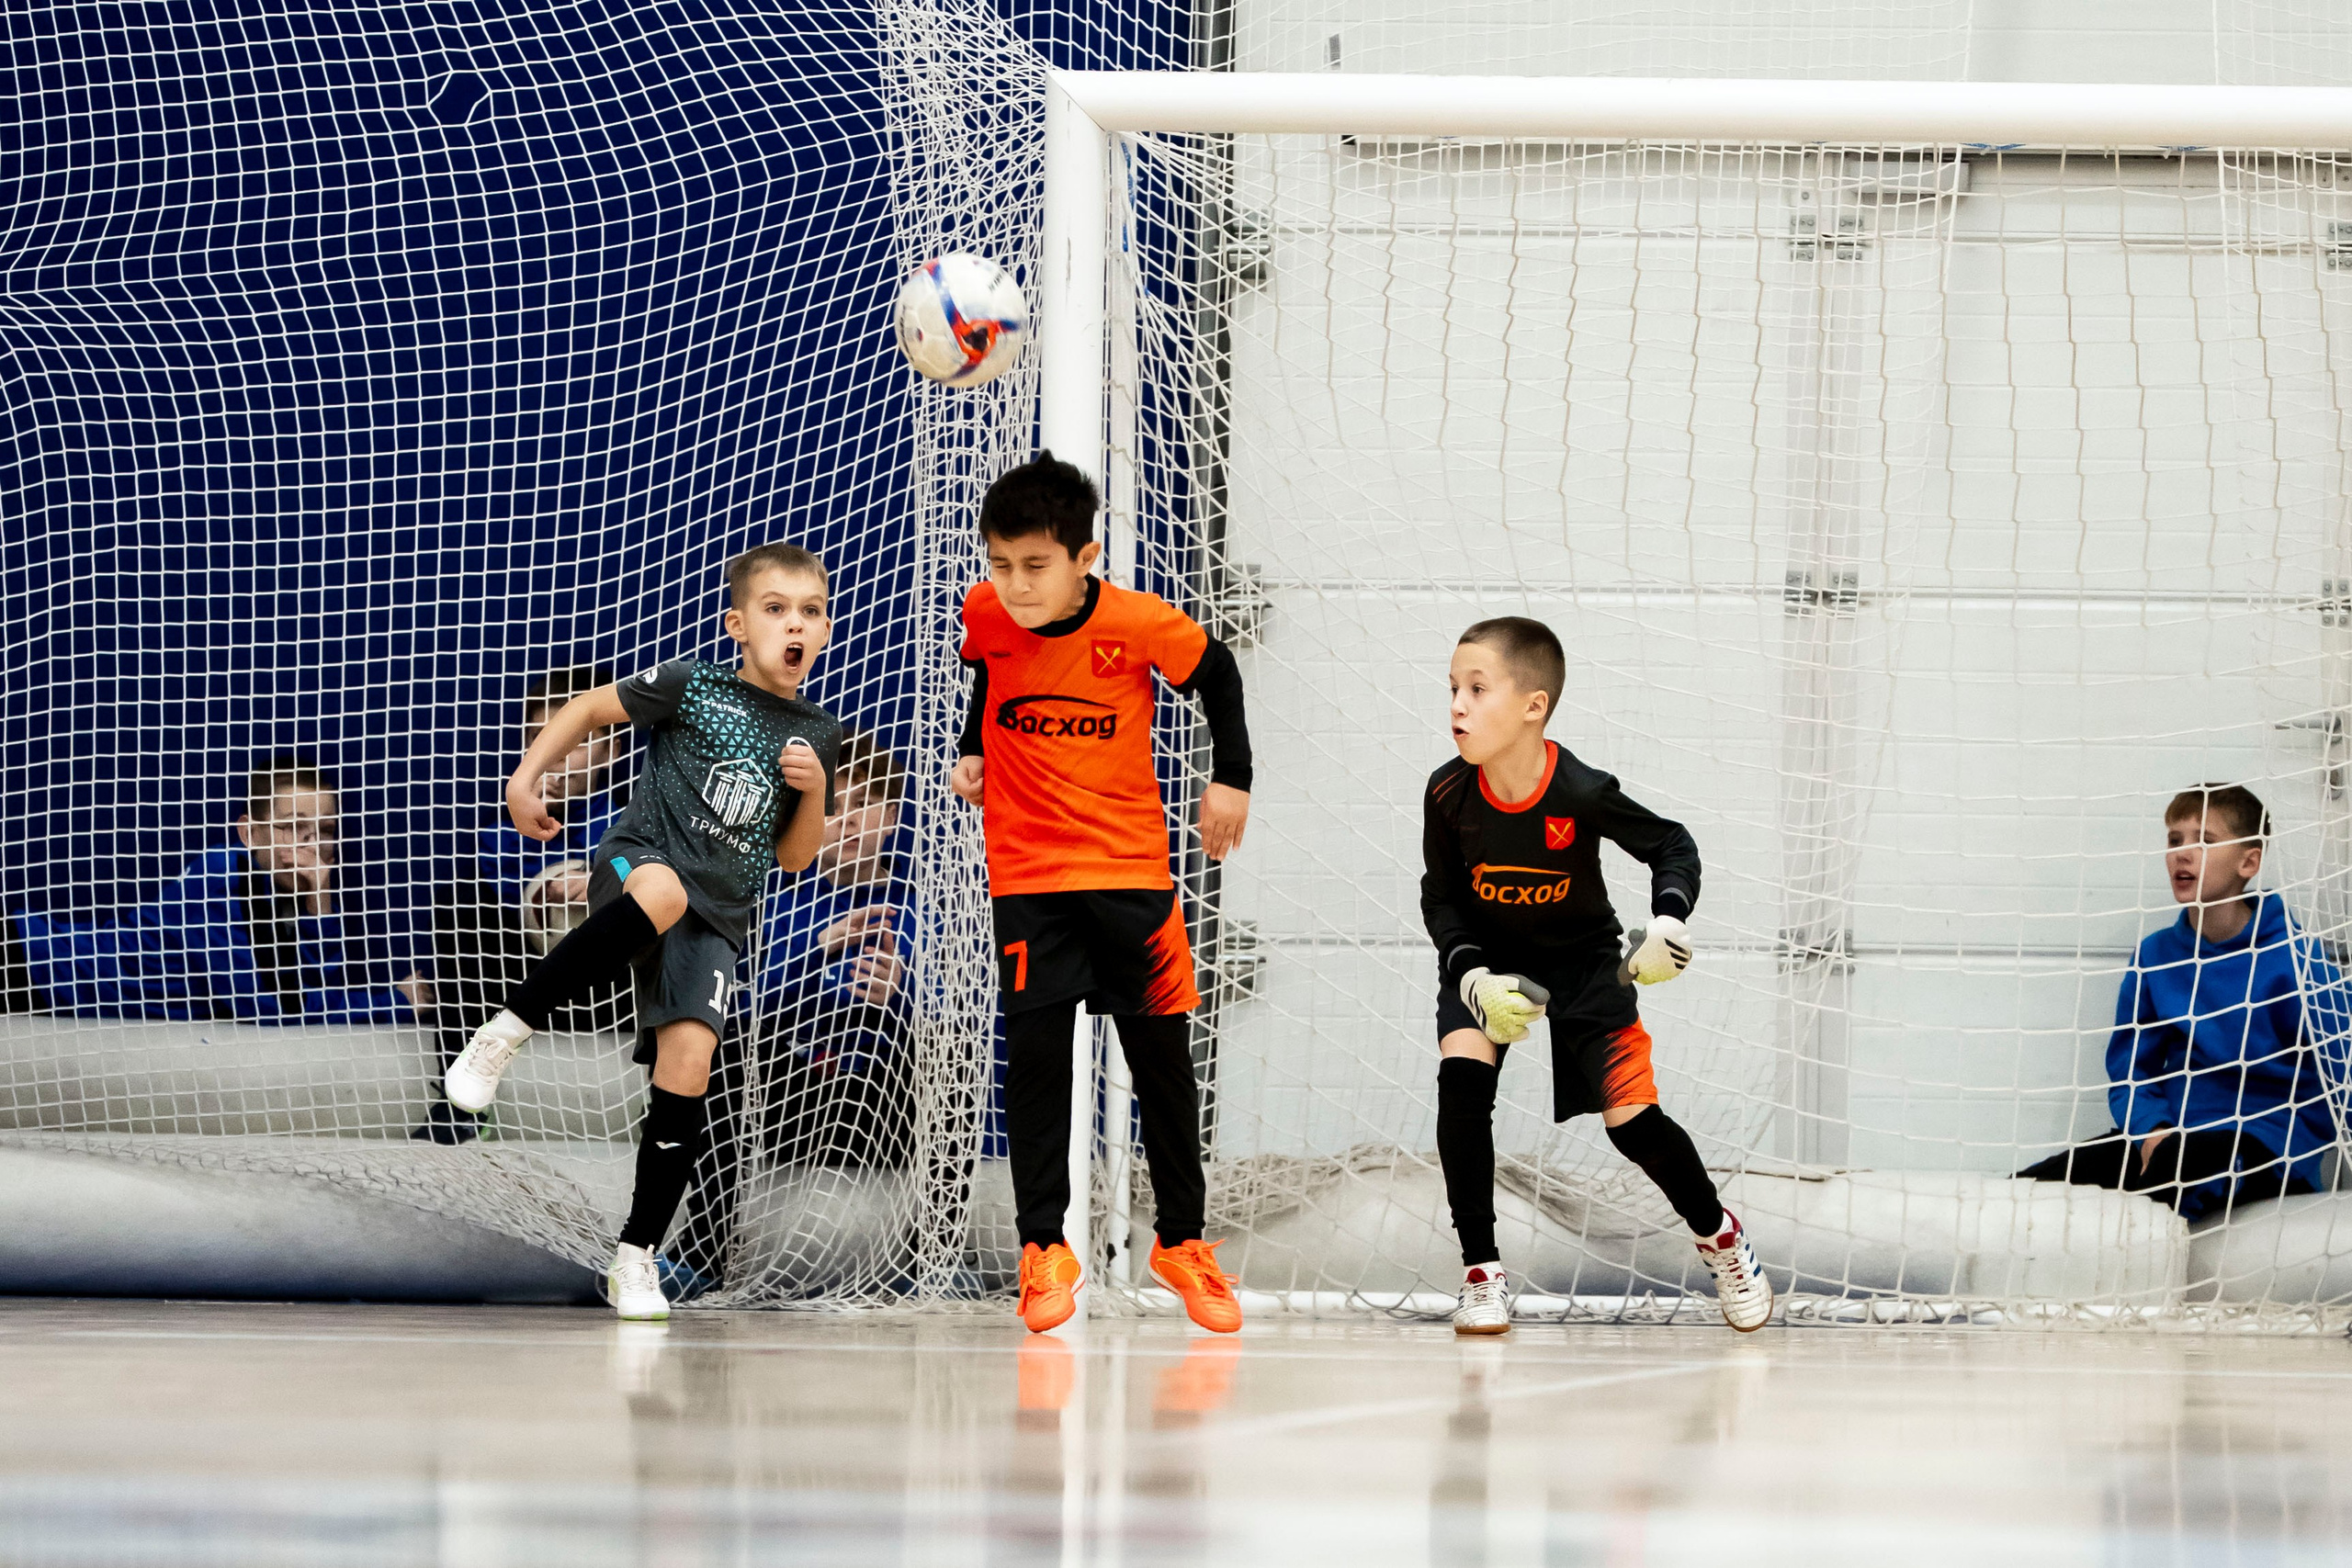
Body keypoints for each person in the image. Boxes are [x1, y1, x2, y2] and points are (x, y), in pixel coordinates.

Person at [433, 542, 842, 1321]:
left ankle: (635, 1256)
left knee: (689, 1064)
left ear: (823, 631)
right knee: (660, 892)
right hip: (641, 863)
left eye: (811, 611)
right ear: (738, 624)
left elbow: (793, 857)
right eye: (776, 608)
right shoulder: (694, 686)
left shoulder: (816, 734)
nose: (796, 623)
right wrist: (523, 781)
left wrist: (817, 791)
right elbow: (588, 708)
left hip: (719, 916)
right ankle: (501, 1033)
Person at [953, 450, 1255, 1335]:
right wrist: (974, 745)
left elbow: (1221, 672)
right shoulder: (986, 612)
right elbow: (986, 667)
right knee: (1038, 1062)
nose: (1014, 584)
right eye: (1000, 564)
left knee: (1162, 1062)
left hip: (1132, 875)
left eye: (1035, 566)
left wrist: (1230, 777)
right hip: (1029, 879)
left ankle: (1183, 1242)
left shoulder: (1139, 623)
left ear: (1084, 559)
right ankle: (1043, 1246)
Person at [1422, 618, 1771, 1335]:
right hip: (1487, 965)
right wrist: (1471, 975)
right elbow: (1442, 896)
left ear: (1533, 705)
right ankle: (1482, 1273)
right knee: (1462, 1088)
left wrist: (1669, 921)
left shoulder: (1579, 790)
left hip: (1584, 962)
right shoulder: (1447, 793)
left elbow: (1672, 843)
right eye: (1452, 687)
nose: (1457, 704)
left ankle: (1721, 1236)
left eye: (1477, 688)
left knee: (1631, 1124)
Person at [2017, 784, 2345, 1221]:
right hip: (2173, 1138)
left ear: (2249, 862)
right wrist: (2151, 1131)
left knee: (2181, 1170)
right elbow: (2133, 1070)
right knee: (2025, 1193)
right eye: (2174, 841)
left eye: (2204, 841)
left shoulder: (2297, 960)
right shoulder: (2156, 956)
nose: (2182, 854)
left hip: (2267, 1143)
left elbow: (2344, 1067)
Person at [11, 754, 425, 1023]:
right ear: (248, 832)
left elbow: (305, 991)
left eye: (325, 830)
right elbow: (276, 1013)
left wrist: (320, 904)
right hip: (21, 961)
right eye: (290, 826)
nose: (310, 845)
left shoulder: (277, 894)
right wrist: (396, 1003)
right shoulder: (225, 881)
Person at [413, 663, 629, 1144]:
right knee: (461, 899)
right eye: (540, 739)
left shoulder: (637, 821)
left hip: (613, 996)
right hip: (528, 988)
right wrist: (537, 894)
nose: (552, 756)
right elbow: (506, 913)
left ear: (612, 751)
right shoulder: (503, 834)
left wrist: (609, 879)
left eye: (573, 743)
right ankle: (463, 1103)